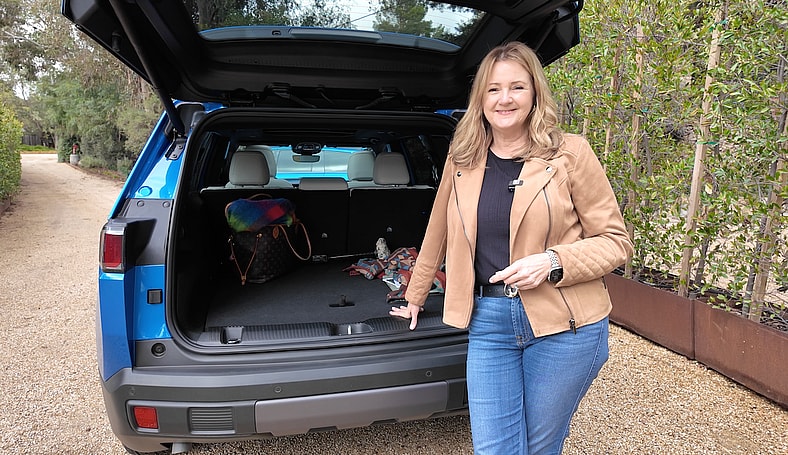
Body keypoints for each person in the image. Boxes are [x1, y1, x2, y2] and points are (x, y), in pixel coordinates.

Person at [389, 41, 633, 455]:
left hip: (565, 325)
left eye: (517, 87)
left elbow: (616, 242)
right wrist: (415, 295)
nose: (504, 99)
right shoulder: (462, 156)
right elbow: (438, 230)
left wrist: (553, 261)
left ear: (535, 93)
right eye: (493, 89)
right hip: (489, 322)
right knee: (495, 449)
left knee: (539, 447)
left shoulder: (570, 153)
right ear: (480, 98)